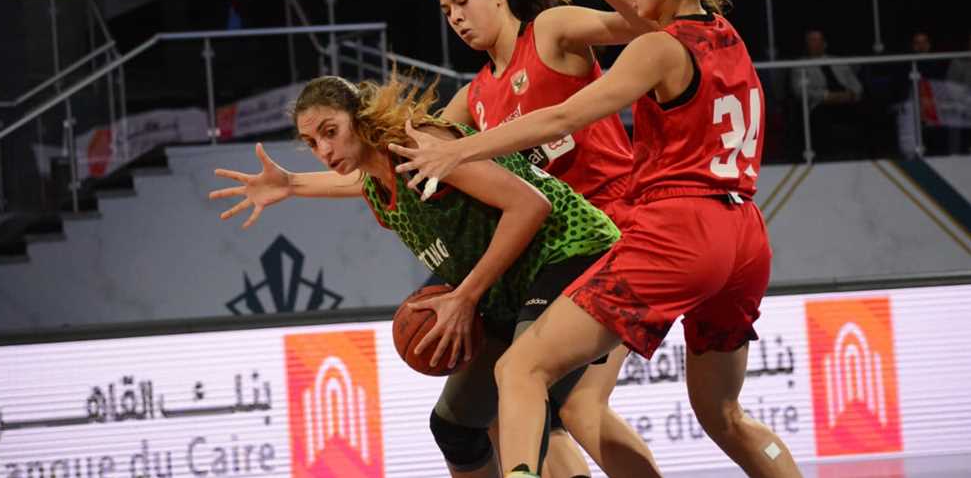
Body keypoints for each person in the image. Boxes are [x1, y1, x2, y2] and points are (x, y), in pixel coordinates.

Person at [389, 0, 802, 476]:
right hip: (744, 232)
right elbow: (648, 14)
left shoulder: (642, 46)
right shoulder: (724, 33)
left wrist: (458, 151)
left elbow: (563, 114)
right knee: (721, 412)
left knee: (525, 373)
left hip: (664, 229)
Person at [209, 74, 646, 478]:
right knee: (456, 428)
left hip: (574, 251)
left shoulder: (421, 145)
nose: (323, 150)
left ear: (359, 118)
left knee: (533, 388)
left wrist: (465, 297)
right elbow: (354, 182)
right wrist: (290, 184)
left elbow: (531, 205)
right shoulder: (377, 185)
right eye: (311, 142)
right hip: (511, 285)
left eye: (330, 131)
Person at [433, 0, 661, 476]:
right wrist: (301, 182)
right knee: (517, 405)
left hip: (618, 234)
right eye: (446, 12)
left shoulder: (550, 33)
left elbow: (646, 26)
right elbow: (414, 159)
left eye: (463, 1)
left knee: (572, 404)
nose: (455, 17)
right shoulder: (474, 98)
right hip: (560, 256)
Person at [789, 28, 865, 160]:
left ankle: (866, 156)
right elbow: (800, 92)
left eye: (818, 40)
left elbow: (857, 86)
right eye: (812, 40)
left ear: (825, 43)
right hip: (821, 105)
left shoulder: (839, 62)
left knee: (867, 111)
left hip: (847, 100)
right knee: (821, 118)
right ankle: (827, 158)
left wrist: (852, 95)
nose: (816, 43)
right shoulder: (799, 65)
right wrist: (826, 96)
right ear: (806, 44)